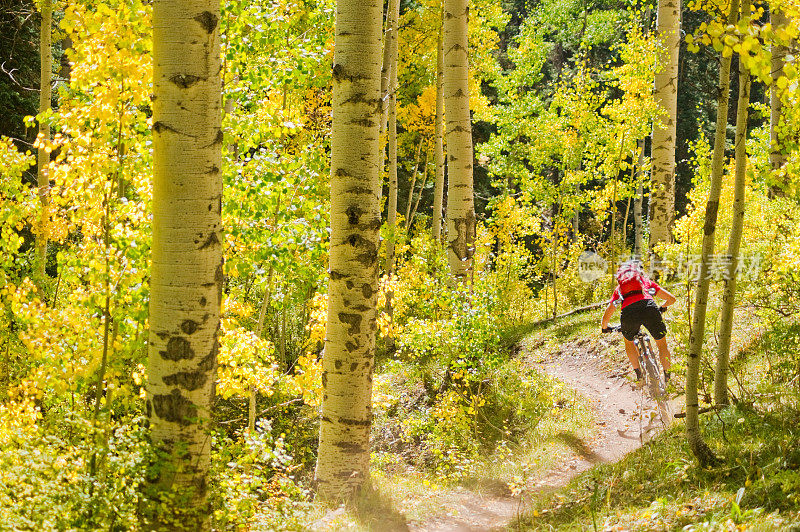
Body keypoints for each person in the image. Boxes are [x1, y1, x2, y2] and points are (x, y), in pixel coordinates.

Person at [600, 260, 677, 383]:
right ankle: (668, 377)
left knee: (629, 342)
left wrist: (605, 327)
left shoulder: (619, 289)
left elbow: (608, 313)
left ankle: (639, 376)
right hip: (649, 307)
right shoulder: (645, 282)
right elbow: (671, 299)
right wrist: (662, 307)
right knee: (662, 345)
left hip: (629, 313)